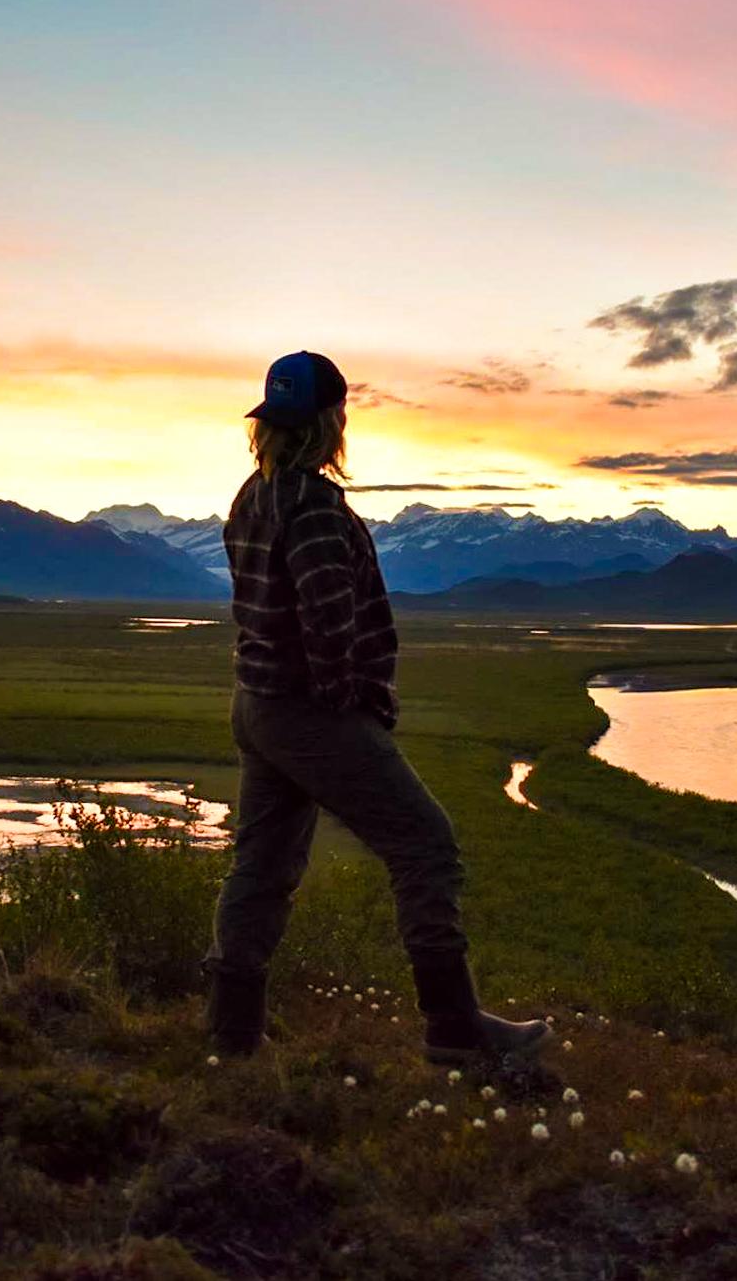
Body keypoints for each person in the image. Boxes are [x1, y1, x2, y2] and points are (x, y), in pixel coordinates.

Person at [203, 349, 552, 1066]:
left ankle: (231, 1031)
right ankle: (453, 1025)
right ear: (334, 422)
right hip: (307, 713)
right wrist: (355, 708)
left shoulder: (249, 497)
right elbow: (331, 627)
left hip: (257, 705)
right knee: (425, 843)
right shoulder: (317, 511)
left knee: (261, 866)